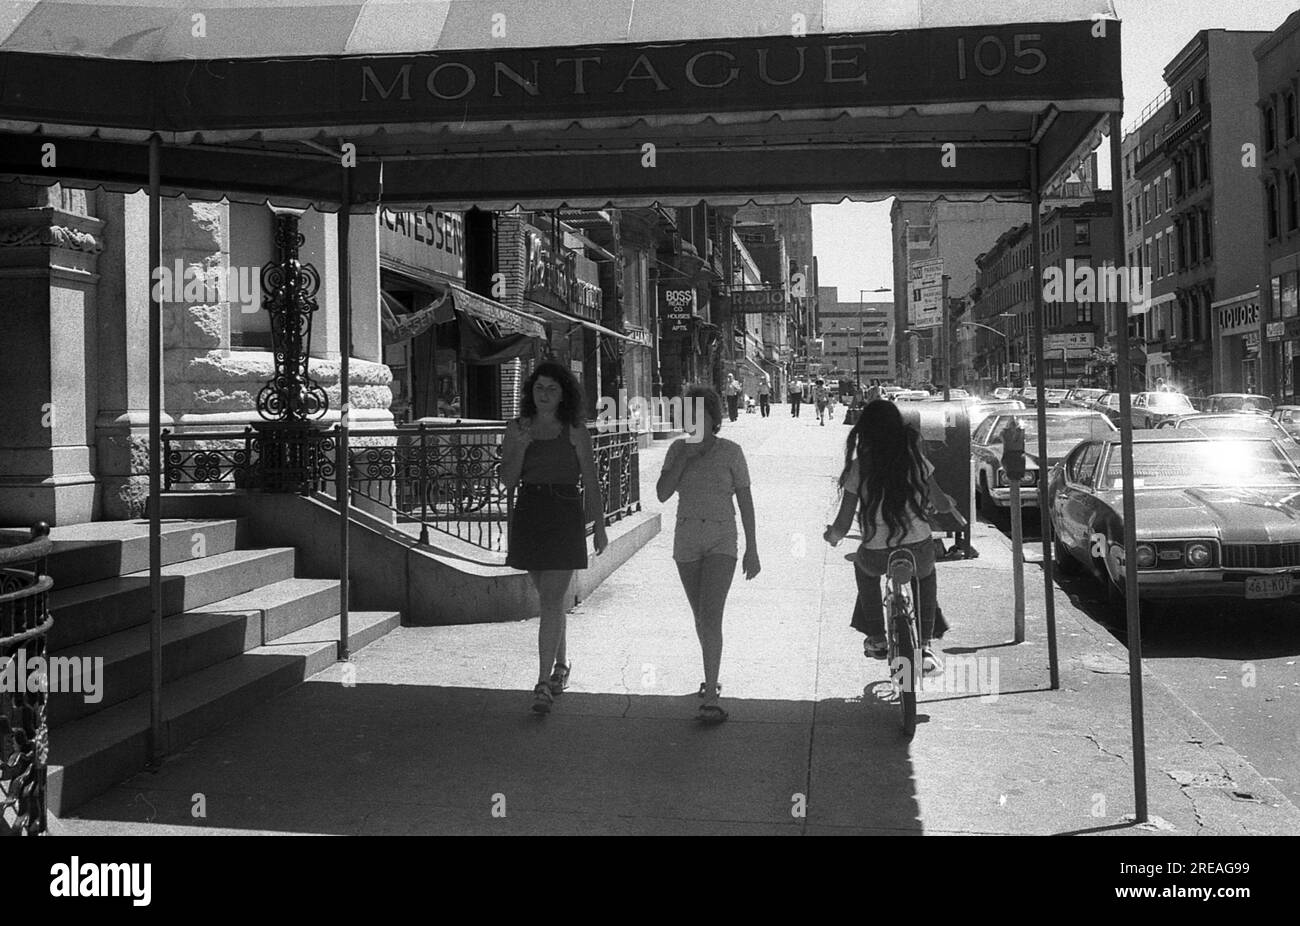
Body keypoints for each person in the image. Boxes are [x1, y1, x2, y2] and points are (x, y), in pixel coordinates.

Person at [500, 361, 609, 714]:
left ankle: (542, 683)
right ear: (530, 393)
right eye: (538, 388)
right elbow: (508, 480)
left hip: (564, 510)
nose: (544, 395)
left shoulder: (575, 431)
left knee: (550, 600)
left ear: (563, 394)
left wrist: (600, 526)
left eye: (551, 389)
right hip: (531, 509)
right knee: (549, 599)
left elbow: (590, 480)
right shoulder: (517, 427)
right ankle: (561, 666)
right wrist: (518, 446)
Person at [822, 400, 959, 676]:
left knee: (863, 569)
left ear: (865, 433)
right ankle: (925, 644)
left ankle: (877, 636)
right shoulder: (915, 460)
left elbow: (843, 523)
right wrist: (949, 503)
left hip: (877, 552)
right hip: (918, 549)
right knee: (926, 576)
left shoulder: (859, 468)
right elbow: (941, 503)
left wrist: (832, 536)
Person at [656, 385, 760, 724]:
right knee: (700, 617)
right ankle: (709, 672)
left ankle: (712, 693)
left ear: (714, 418)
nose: (694, 420)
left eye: (701, 414)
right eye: (688, 414)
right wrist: (685, 457)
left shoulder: (731, 452)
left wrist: (752, 548)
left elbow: (745, 502)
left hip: (721, 538)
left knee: (711, 615)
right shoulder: (676, 450)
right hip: (686, 538)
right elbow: (661, 493)